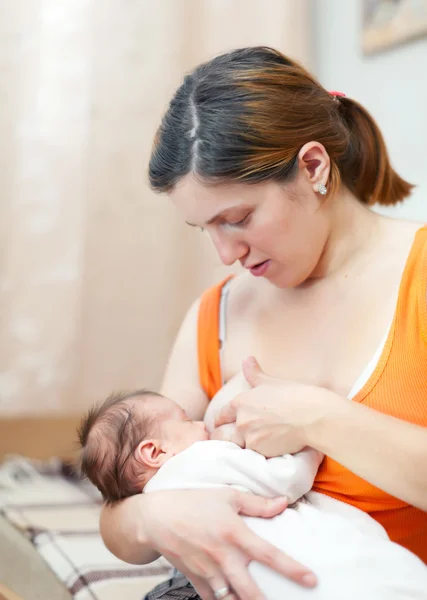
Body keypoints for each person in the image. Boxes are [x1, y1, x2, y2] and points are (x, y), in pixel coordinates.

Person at [99, 46, 427, 600]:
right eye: (205, 228)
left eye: (239, 218)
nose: (226, 253)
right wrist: (153, 517)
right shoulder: (218, 314)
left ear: (314, 167)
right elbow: (120, 506)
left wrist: (315, 418)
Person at [78, 389, 427, 599]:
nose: (202, 424)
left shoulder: (161, 484)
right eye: (186, 419)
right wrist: (313, 443)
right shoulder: (202, 457)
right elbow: (284, 479)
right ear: (154, 452)